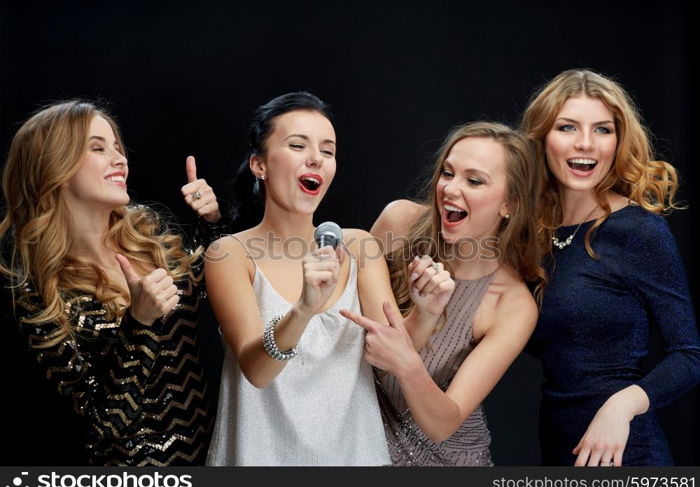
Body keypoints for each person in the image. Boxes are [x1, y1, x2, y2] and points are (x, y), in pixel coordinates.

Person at [204, 91, 452, 466]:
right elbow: (257, 370)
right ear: (260, 164)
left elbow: (390, 357)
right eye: (297, 145)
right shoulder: (229, 255)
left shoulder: (358, 246)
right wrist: (304, 309)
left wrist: (427, 312)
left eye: (328, 150)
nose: (316, 159)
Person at [0, 100, 230, 465]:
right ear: (55, 167)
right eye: (98, 148)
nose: (120, 159)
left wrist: (213, 224)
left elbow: (226, 295)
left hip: (212, 458)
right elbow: (105, 422)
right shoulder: (37, 293)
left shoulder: (148, 235)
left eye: (118, 148)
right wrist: (138, 323)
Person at [521, 68, 700, 466]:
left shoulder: (639, 231)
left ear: (619, 142)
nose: (586, 143)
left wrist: (621, 406)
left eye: (602, 130)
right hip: (557, 448)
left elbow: (689, 357)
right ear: (542, 138)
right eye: (567, 127)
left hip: (626, 451)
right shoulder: (535, 234)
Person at [341, 121, 542, 466]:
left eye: (474, 181)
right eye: (447, 173)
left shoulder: (512, 305)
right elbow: (343, 330)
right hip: (358, 448)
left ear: (509, 203)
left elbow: (444, 423)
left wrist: (408, 363)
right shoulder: (399, 223)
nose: (450, 189)